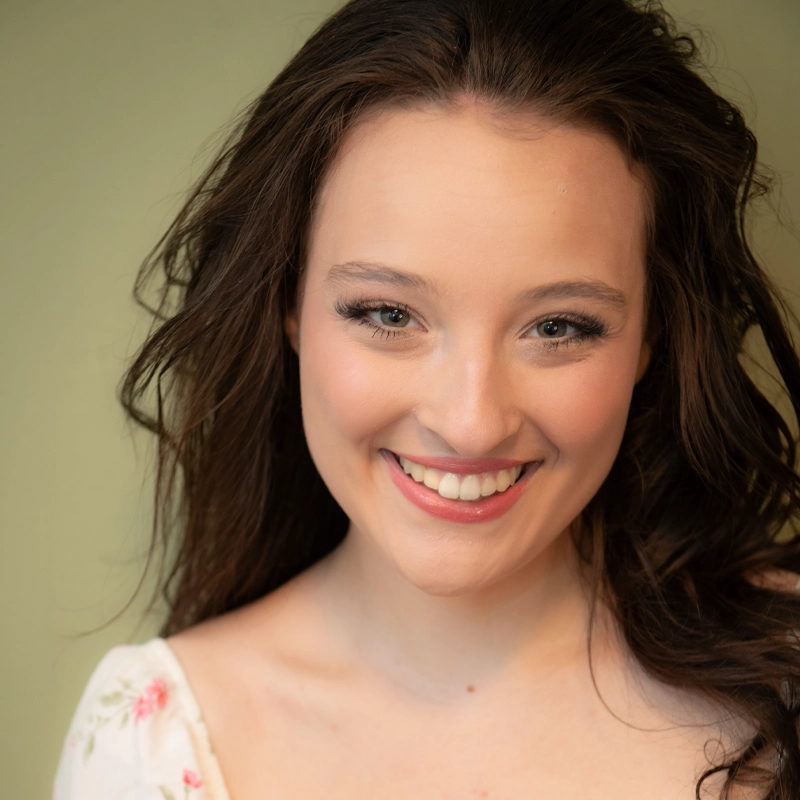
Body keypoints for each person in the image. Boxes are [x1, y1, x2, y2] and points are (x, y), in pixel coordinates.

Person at [53, 0, 800, 797]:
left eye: (558, 326)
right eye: (387, 314)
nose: (470, 419)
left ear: (654, 335)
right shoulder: (152, 743)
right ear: (289, 306)